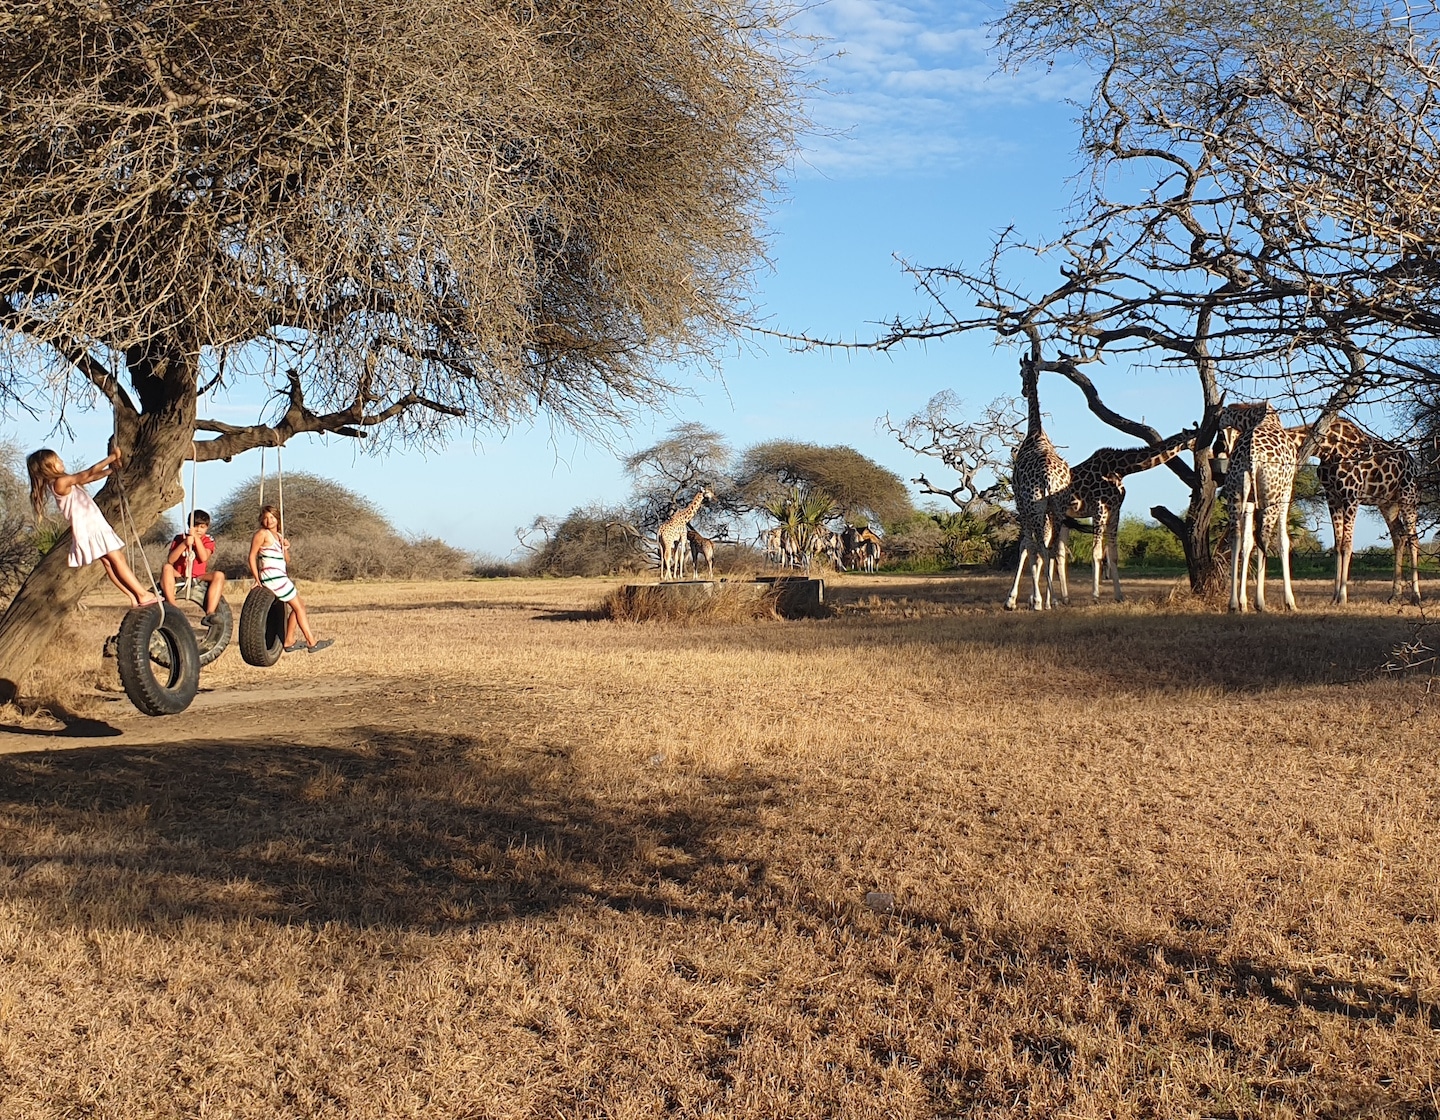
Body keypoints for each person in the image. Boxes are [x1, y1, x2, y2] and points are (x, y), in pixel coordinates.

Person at [27, 447, 158, 608]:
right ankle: (142, 594)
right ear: (47, 467)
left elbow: (89, 478)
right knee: (117, 559)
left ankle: (133, 596)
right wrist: (110, 458)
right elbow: (87, 473)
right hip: (91, 527)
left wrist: (111, 470)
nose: (61, 462)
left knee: (109, 563)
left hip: (89, 526)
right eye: (57, 461)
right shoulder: (60, 483)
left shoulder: (61, 482)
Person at [247, 504, 332, 654]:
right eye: (266, 518)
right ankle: (311, 642)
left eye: (272, 517)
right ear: (261, 520)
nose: (269, 521)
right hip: (273, 576)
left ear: (278, 519)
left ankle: (289, 640)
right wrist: (257, 578)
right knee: (299, 607)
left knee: (299, 607)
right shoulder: (262, 534)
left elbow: (286, 560)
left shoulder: (279, 536)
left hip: (281, 575)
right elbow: (252, 556)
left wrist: (285, 547)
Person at [162, 509, 226, 621]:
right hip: (180, 574)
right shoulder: (179, 538)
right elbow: (171, 559)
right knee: (166, 568)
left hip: (199, 576)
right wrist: (184, 543)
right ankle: (172, 606)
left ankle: (210, 612)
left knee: (219, 575)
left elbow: (204, 557)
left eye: (202, 527)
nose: (199, 530)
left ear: (207, 527)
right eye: (196, 526)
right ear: (190, 526)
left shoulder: (208, 540)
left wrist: (196, 539)